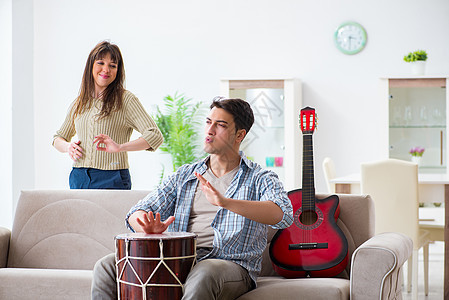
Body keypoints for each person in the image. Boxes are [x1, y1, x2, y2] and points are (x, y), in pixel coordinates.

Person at [91, 97, 293, 299]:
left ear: (240, 134)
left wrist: (225, 202)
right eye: (208, 122)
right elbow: (136, 212)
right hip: (180, 258)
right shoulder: (185, 175)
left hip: (231, 265)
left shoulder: (260, 177)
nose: (210, 130)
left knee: (204, 273)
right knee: (107, 266)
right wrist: (146, 228)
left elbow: (282, 214)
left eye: (220, 125)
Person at [53, 41, 163, 189]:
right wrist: (68, 147)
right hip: (79, 176)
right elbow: (58, 138)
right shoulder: (79, 102)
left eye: (112, 65)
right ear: (91, 66)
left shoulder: (125, 100)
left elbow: (155, 135)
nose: (106, 69)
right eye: (101, 63)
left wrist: (120, 147)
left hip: (113, 177)